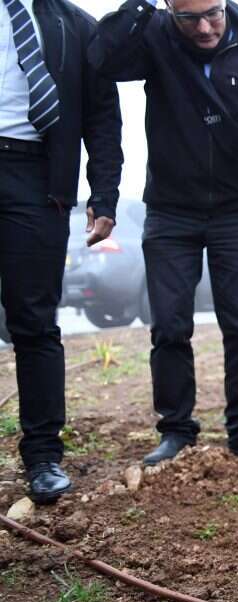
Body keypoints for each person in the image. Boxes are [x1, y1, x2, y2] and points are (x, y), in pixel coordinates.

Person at [89, 0, 238, 466]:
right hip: (170, 212)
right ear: (169, 9)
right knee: (169, 326)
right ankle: (176, 431)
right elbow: (102, 58)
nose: (205, 27)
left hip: (236, 211)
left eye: (213, 13)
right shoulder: (153, 36)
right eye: (189, 18)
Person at [1, 0, 123, 503]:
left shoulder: (77, 27)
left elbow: (102, 118)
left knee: (34, 319)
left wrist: (104, 195)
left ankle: (43, 455)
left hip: (36, 176)